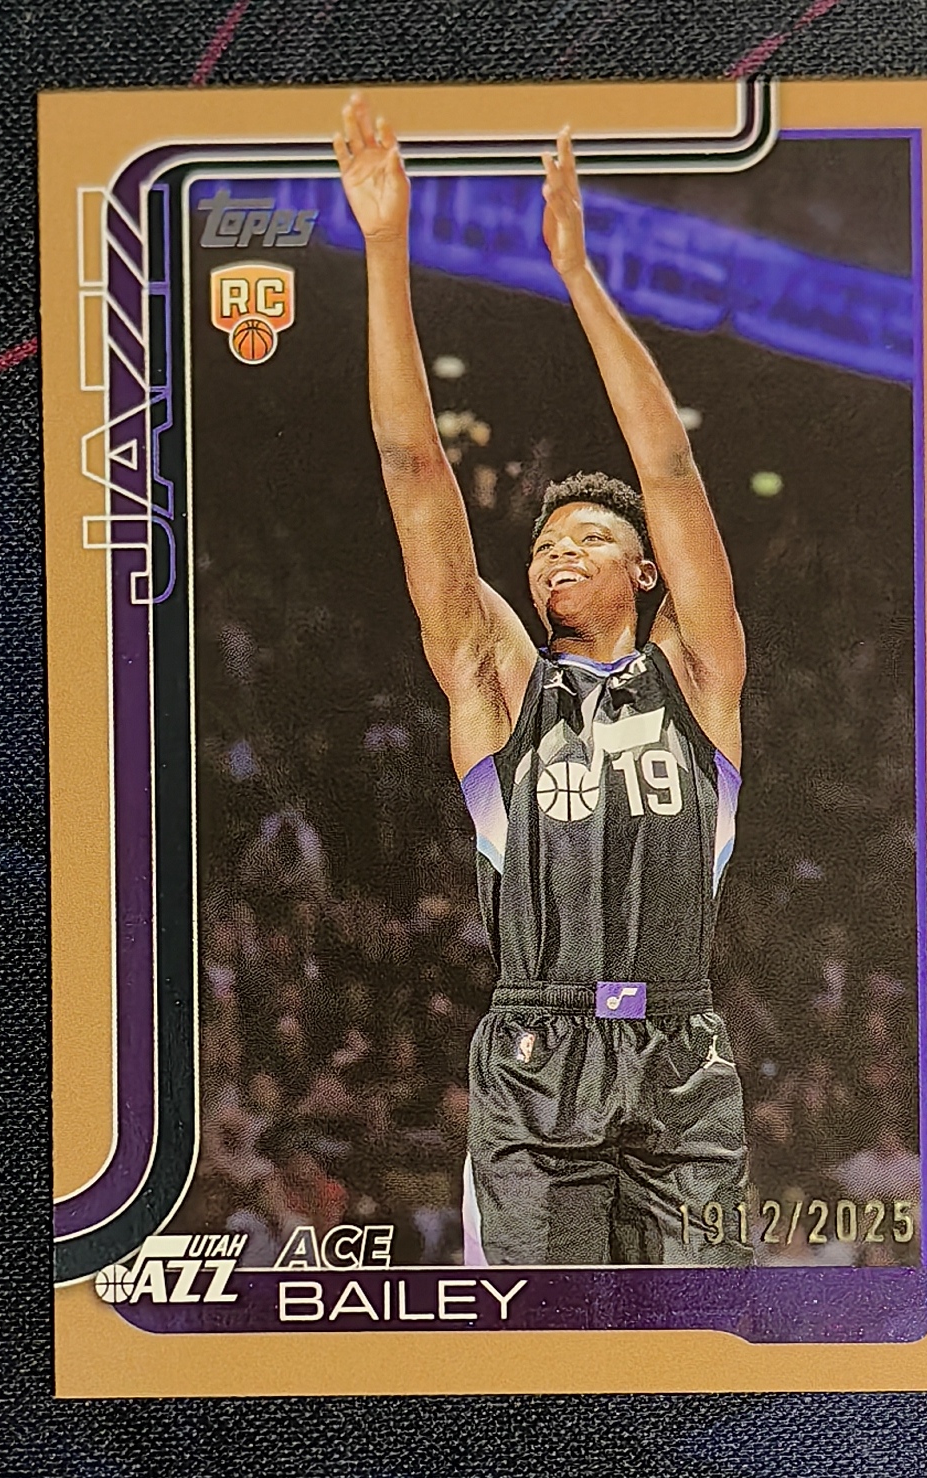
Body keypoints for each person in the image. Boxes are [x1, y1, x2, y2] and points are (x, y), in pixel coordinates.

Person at [334, 93, 751, 1267]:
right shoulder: (501, 686)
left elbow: (668, 467)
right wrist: (383, 244)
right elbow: (411, 467)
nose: (556, 550)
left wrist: (575, 273)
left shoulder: (698, 676)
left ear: (647, 571)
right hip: (536, 1053)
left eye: (587, 537)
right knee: (543, 1348)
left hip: (679, 1050)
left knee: (701, 1343)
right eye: (543, 543)